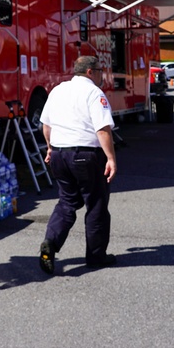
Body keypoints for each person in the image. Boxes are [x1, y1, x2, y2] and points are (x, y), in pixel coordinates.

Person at [37, 55, 118, 275]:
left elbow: (46, 125)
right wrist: (110, 157)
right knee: (96, 205)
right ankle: (96, 256)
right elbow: (102, 129)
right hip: (85, 154)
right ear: (90, 72)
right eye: (100, 70)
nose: (102, 74)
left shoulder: (57, 90)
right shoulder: (93, 93)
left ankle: (51, 243)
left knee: (67, 202)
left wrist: (50, 147)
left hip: (59, 155)